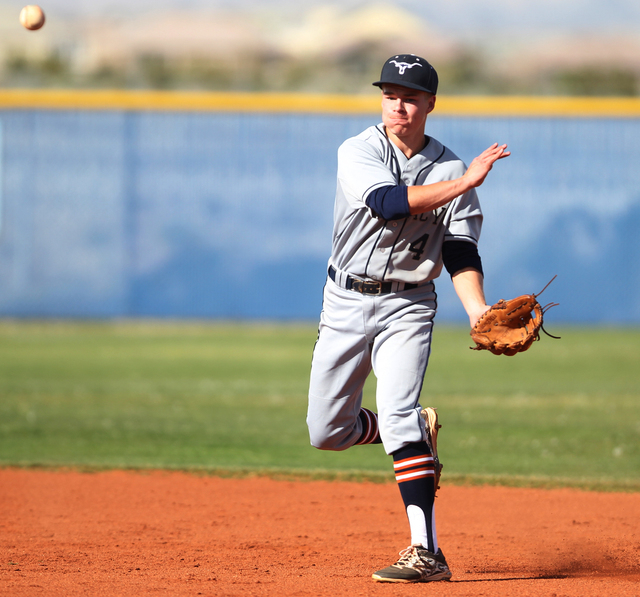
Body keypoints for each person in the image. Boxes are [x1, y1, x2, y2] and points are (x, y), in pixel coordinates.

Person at [306, 54, 510, 583]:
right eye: (390, 94)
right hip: (346, 299)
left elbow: (461, 251)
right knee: (326, 432)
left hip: (409, 303)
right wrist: (466, 183)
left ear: (430, 105)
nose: (398, 105)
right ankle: (414, 431)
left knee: (396, 410)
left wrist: (478, 311)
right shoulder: (359, 150)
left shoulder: (450, 167)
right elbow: (390, 202)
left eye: (411, 97)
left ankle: (426, 552)